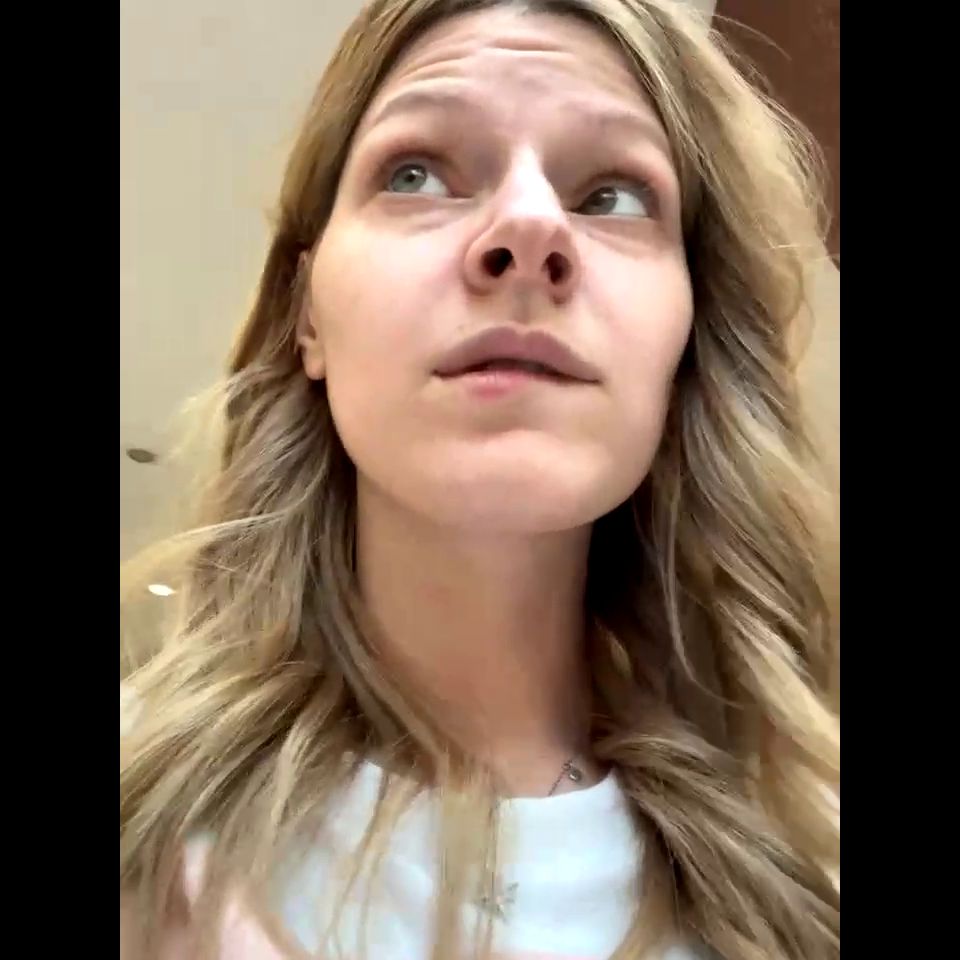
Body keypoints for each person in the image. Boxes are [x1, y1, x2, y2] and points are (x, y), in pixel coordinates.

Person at [119, 1, 840, 958]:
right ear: (306, 315)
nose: (530, 226)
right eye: (415, 174)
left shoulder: (812, 866)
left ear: (687, 339)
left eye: (614, 195)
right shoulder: (139, 813)